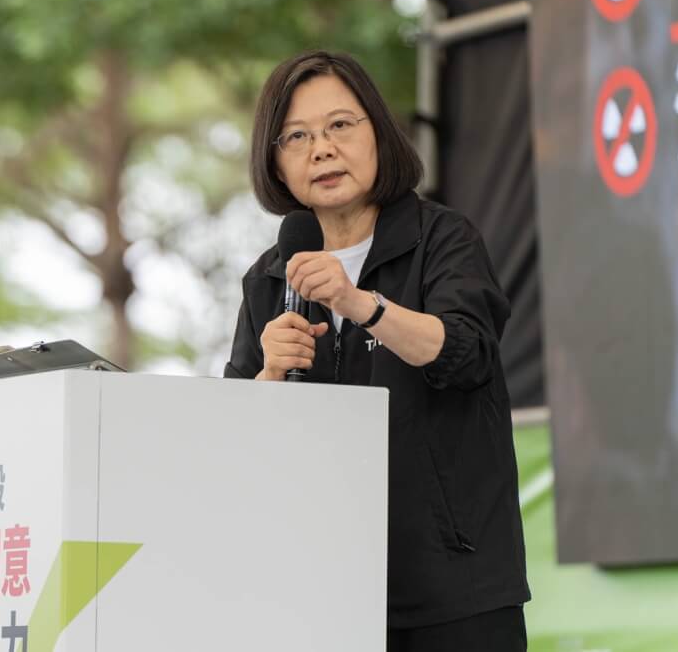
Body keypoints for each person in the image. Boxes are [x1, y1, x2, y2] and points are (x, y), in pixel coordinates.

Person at [224, 50, 530, 651]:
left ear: (379, 135)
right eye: (296, 136)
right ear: (275, 163)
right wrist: (269, 375)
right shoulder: (269, 278)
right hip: (321, 593)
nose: (321, 149)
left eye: (340, 125)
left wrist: (360, 303)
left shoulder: (442, 238)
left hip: (455, 589)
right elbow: (237, 444)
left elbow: (467, 351)